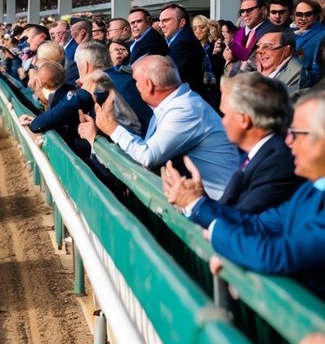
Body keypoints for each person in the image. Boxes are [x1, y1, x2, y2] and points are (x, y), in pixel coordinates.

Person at [162, 88, 325, 298]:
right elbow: (256, 224)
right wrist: (196, 204)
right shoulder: (309, 190)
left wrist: (217, 233)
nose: (288, 141)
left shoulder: (286, 169)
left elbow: (277, 255)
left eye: (296, 133)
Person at [78, 55, 241, 199]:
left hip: (219, 212)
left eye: (136, 81)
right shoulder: (173, 102)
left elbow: (147, 157)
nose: (134, 86)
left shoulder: (185, 109)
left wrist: (112, 128)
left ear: (148, 84)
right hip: (203, 206)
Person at [162, 73, 301, 214]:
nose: (222, 122)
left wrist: (194, 203)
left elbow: (242, 222)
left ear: (244, 120)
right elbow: (229, 212)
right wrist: (199, 197)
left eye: (225, 114)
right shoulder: (260, 155)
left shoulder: (277, 163)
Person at [18, 61, 94, 159]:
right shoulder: (67, 91)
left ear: (40, 83)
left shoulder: (70, 98)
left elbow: (36, 126)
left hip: (88, 160)